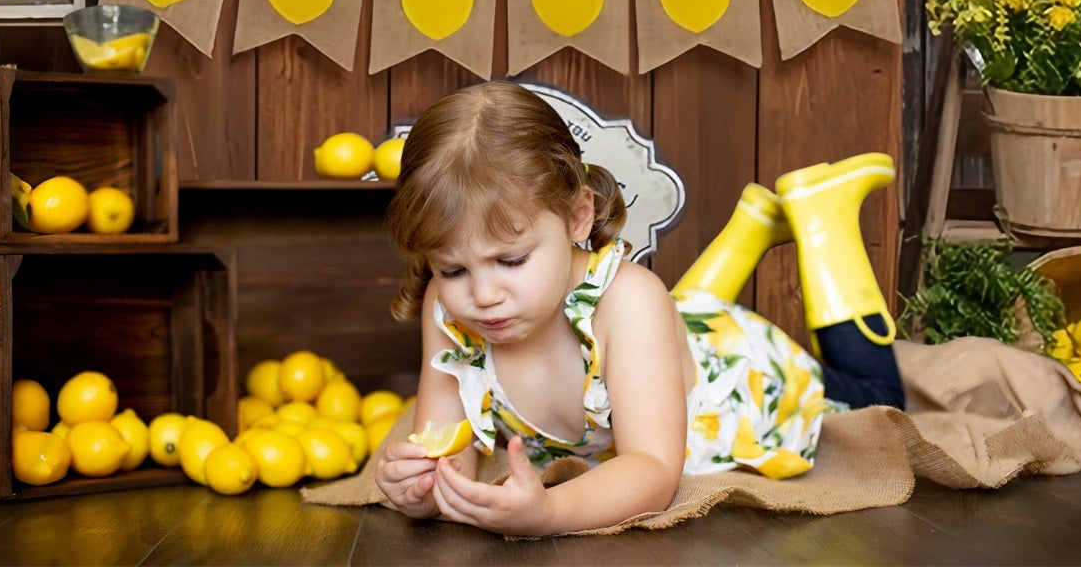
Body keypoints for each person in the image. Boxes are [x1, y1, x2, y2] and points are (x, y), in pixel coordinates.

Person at [373, 80, 904, 536]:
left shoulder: (629, 301)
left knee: (880, 398)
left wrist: (550, 511)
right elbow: (448, 443)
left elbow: (652, 467)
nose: (483, 295)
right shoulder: (449, 309)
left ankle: (824, 220)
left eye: (511, 260)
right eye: (453, 270)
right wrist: (425, 487)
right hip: (661, 335)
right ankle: (750, 227)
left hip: (744, 374)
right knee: (669, 311)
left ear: (578, 218)